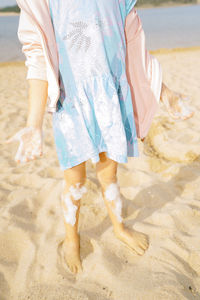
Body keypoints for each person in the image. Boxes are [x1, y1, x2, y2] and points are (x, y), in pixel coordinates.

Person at [4, 0, 193, 274]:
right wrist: (33, 124)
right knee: (75, 181)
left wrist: (165, 93)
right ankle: (71, 237)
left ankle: (118, 227)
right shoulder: (41, 3)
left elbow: (136, 51)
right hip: (70, 105)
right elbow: (36, 59)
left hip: (110, 101)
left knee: (108, 174)